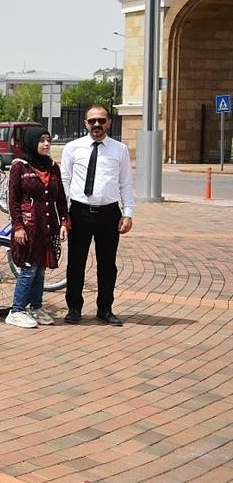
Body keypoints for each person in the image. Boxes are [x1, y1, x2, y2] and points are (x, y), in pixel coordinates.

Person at [60, 105, 133, 326]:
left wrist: (128, 213)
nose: (97, 124)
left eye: (101, 120)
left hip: (109, 214)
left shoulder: (120, 149)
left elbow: (125, 183)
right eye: (92, 121)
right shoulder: (72, 148)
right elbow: (65, 181)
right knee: (76, 263)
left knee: (107, 265)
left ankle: (105, 309)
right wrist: (63, 214)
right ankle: (74, 308)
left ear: (109, 122)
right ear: (86, 123)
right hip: (79, 213)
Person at [5, 128, 68, 328]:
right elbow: (13, 199)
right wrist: (18, 226)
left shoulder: (53, 167)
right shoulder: (20, 166)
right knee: (29, 268)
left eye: (48, 140)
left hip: (47, 226)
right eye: (41, 140)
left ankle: (36, 307)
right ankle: (16, 310)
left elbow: (60, 198)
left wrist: (64, 222)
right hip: (28, 227)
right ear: (32, 142)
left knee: (40, 268)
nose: (46, 144)